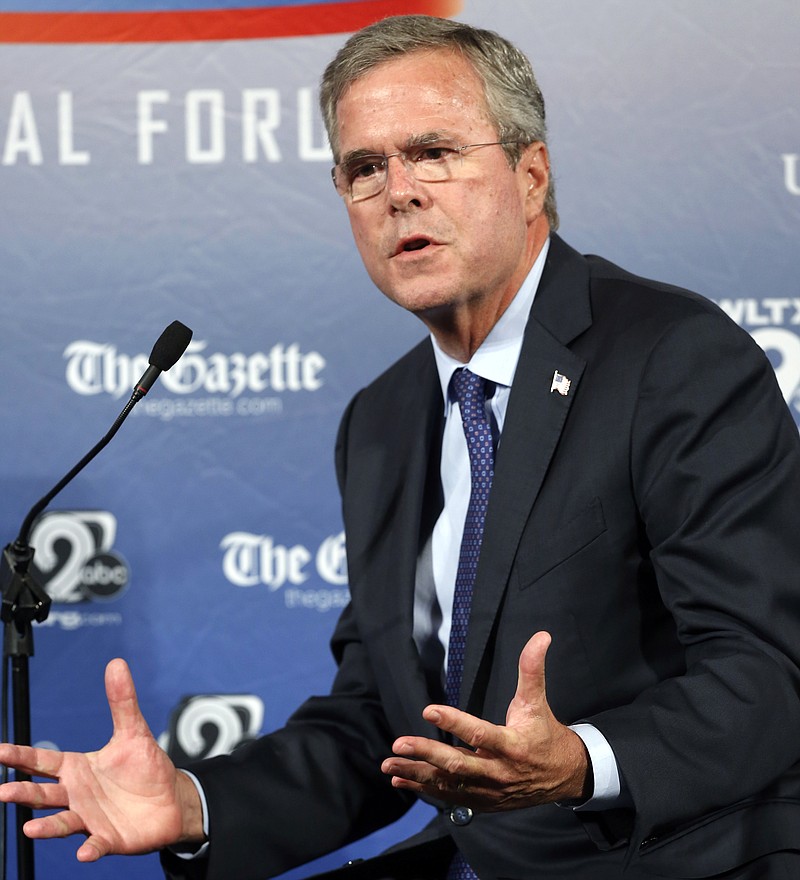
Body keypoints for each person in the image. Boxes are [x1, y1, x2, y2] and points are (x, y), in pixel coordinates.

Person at [2, 13, 800, 880]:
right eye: (366, 168)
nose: (400, 192)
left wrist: (580, 762)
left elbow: (767, 670)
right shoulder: (380, 421)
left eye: (433, 152)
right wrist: (195, 804)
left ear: (531, 173)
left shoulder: (671, 355)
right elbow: (383, 725)